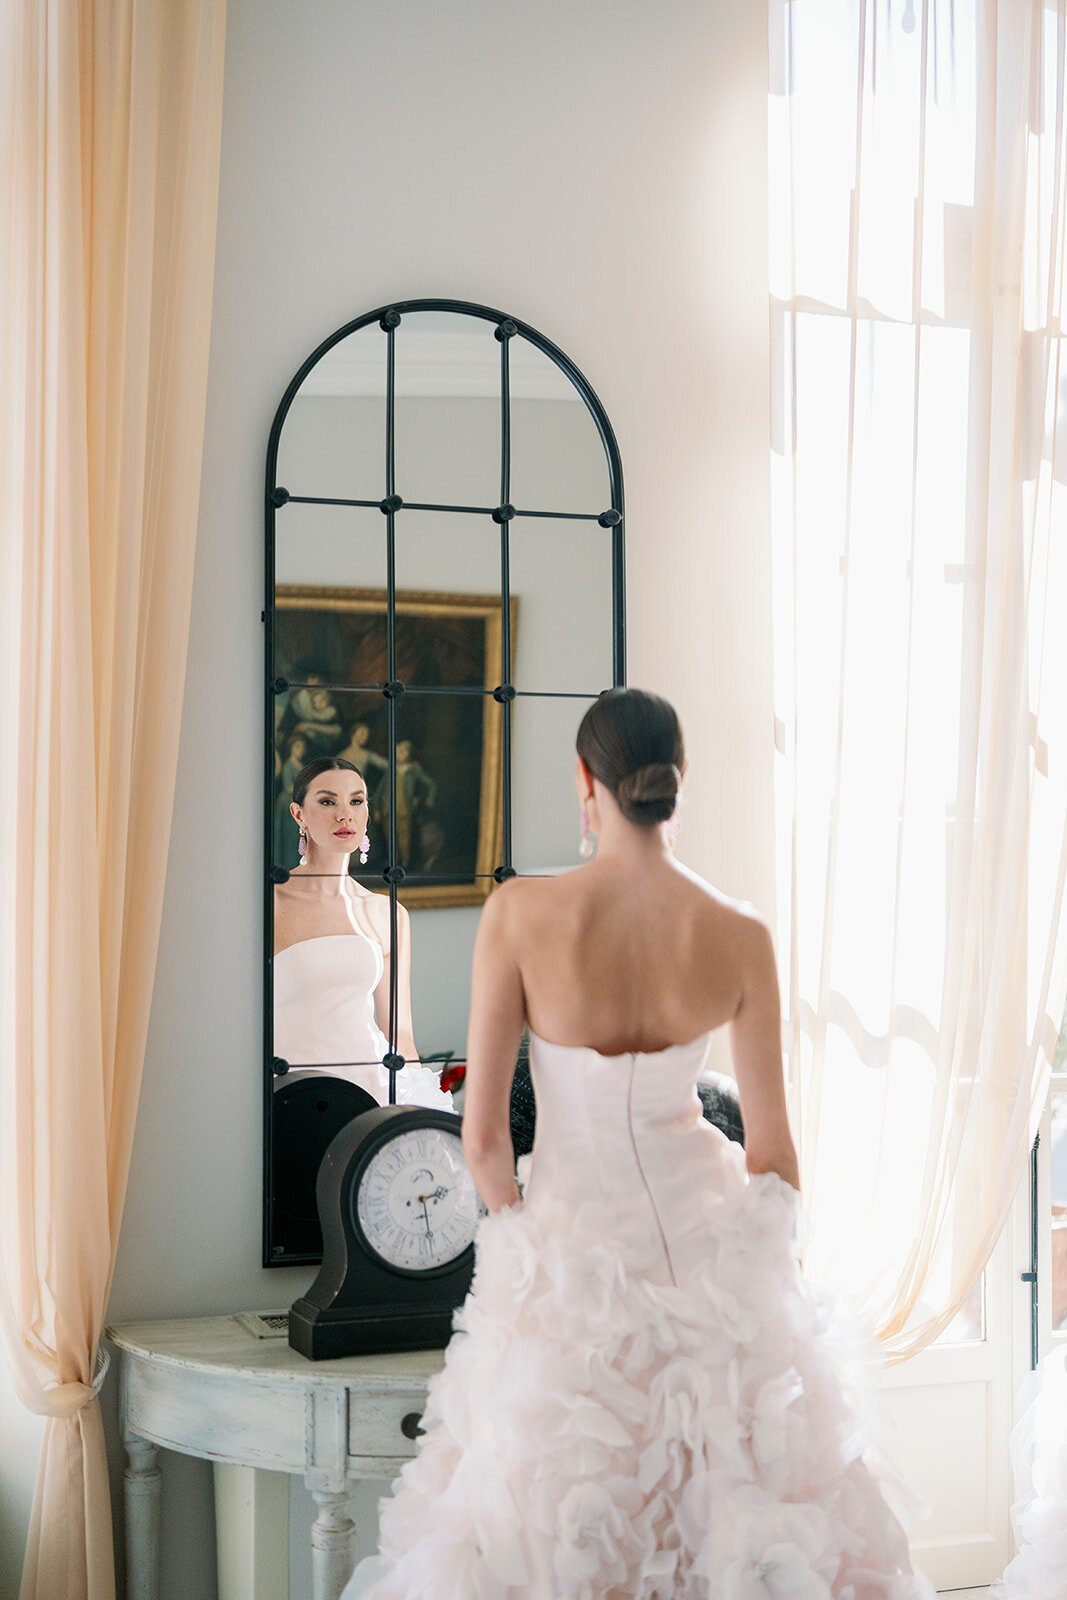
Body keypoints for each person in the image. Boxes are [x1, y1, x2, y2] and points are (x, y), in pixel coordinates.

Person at [343, 689, 933, 1600]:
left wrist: (526, 1249)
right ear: (675, 778)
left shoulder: (521, 916)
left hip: (571, 1254)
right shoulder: (739, 934)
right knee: (733, 1522)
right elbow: (773, 1156)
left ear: (585, 780)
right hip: (712, 1261)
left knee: (553, 1529)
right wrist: (758, 1278)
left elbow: (486, 1138)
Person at [273, 757, 448, 1109]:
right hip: (291, 1099)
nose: (345, 815)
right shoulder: (267, 903)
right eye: (327, 802)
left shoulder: (386, 913)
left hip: (374, 1092)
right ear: (298, 814)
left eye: (356, 801)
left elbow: (399, 1033)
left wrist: (414, 1105)